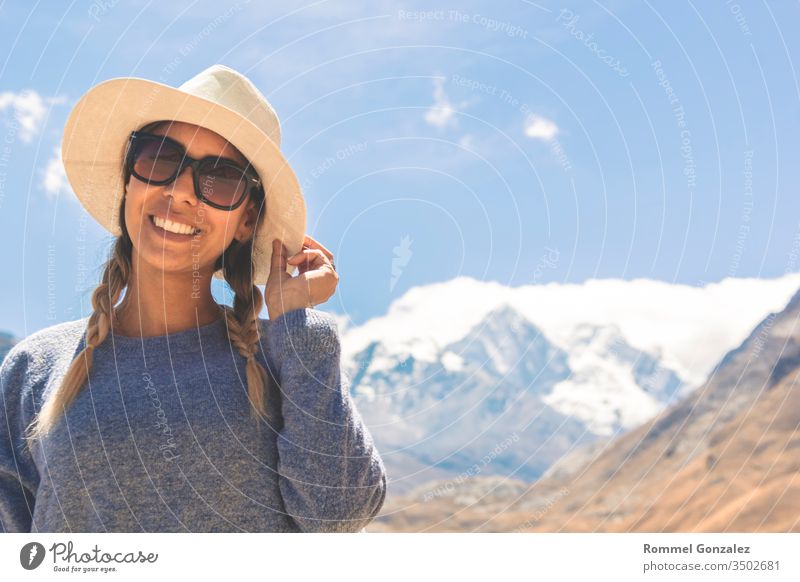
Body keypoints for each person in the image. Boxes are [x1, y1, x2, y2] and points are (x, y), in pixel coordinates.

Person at [0, 64, 387, 532]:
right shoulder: (33, 367)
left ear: (247, 221)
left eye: (220, 179)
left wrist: (296, 323)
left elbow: (340, 516)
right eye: (159, 159)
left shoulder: (284, 354)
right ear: (129, 180)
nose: (180, 191)